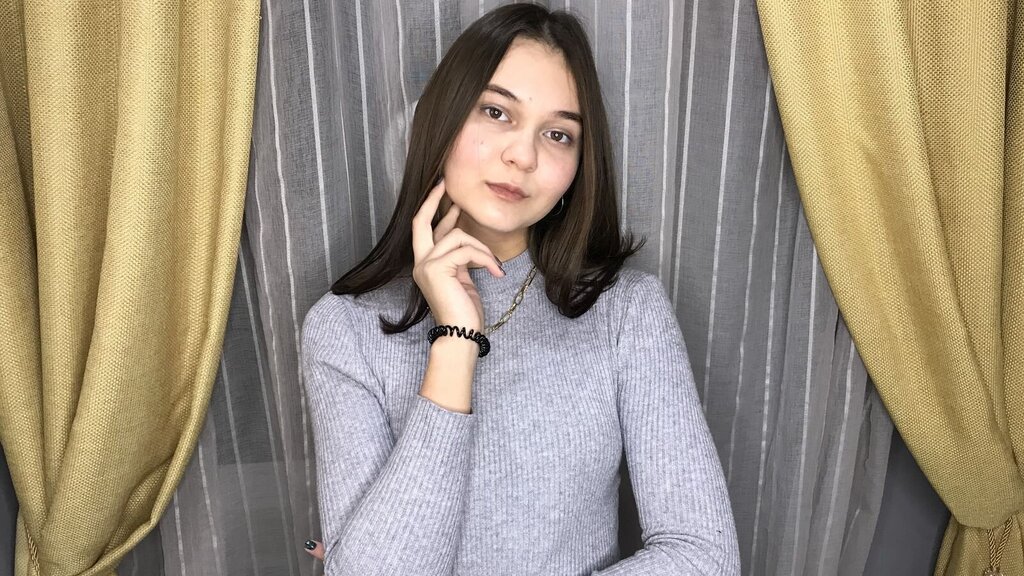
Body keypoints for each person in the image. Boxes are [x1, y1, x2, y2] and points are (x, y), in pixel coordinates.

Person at [300, 4, 740, 574]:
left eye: (558, 134)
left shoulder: (626, 311)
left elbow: (703, 555)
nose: (523, 156)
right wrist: (456, 343)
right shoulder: (344, 328)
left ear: (578, 166)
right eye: (496, 112)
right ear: (442, 117)